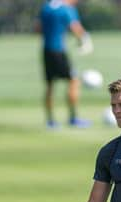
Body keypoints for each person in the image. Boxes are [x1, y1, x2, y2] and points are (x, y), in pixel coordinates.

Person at [37, 0, 93, 129]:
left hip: (46, 50)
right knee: (73, 80)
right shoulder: (66, 9)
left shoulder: (46, 7)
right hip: (59, 51)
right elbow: (75, 27)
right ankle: (73, 118)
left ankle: (50, 121)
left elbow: (38, 28)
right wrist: (84, 41)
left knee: (50, 84)